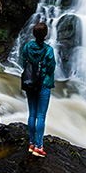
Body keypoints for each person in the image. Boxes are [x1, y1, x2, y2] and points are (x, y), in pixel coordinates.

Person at [19, 21, 55, 157]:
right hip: (44, 85)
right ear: (45, 35)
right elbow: (51, 67)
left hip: (29, 83)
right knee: (41, 116)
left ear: (34, 34)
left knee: (32, 114)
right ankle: (39, 147)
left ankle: (31, 143)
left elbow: (24, 62)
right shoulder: (48, 50)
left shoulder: (27, 47)